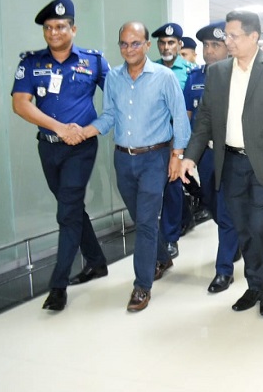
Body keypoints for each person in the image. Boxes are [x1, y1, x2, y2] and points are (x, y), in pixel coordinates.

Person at [180, 11, 263, 317]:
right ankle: (254, 283)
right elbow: (205, 118)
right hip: (230, 161)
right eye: (227, 35)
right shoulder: (218, 72)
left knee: (261, 223)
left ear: (253, 37)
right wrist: (190, 156)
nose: (228, 41)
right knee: (242, 226)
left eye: (233, 36)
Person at [82, 21, 190, 312]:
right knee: (140, 217)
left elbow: (180, 117)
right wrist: (85, 131)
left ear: (146, 45)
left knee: (145, 222)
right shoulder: (113, 78)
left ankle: (142, 285)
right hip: (123, 159)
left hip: (155, 158)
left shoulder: (164, 77)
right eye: (124, 44)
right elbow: (109, 116)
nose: (129, 49)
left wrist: (177, 156)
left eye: (135, 43)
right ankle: (162, 257)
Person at [11, 0, 109, 311]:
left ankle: (58, 285)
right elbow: (20, 104)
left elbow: (118, 98)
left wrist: (91, 129)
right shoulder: (31, 62)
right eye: (48, 28)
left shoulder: (94, 61)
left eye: (60, 27)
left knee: (67, 212)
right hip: (48, 147)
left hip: (81, 148)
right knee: (71, 207)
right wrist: (59, 128)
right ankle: (97, 261)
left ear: (73, 29)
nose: (53, 32)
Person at [183, 21, 240, 293]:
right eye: (206, 45)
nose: (209, 51)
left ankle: (223, 269)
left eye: (215, 45)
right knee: (210, 202)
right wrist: (186, 154)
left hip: (230, 151)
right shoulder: (194, 77)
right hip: (205, 152)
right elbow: (188, 118)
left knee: (226, 209)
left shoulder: (238, 76)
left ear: (227, 47)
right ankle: (235, 239)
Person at [152, 22, 196, 260]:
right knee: (160, 187)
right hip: (153, 137)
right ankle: (184, 218)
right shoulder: (149, 69)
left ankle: (170, 238)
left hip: (177, 136)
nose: (166, 47)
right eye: (162, 43)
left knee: (172, 184)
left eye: (171, 42)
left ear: (179, 45)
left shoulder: (190, 72)